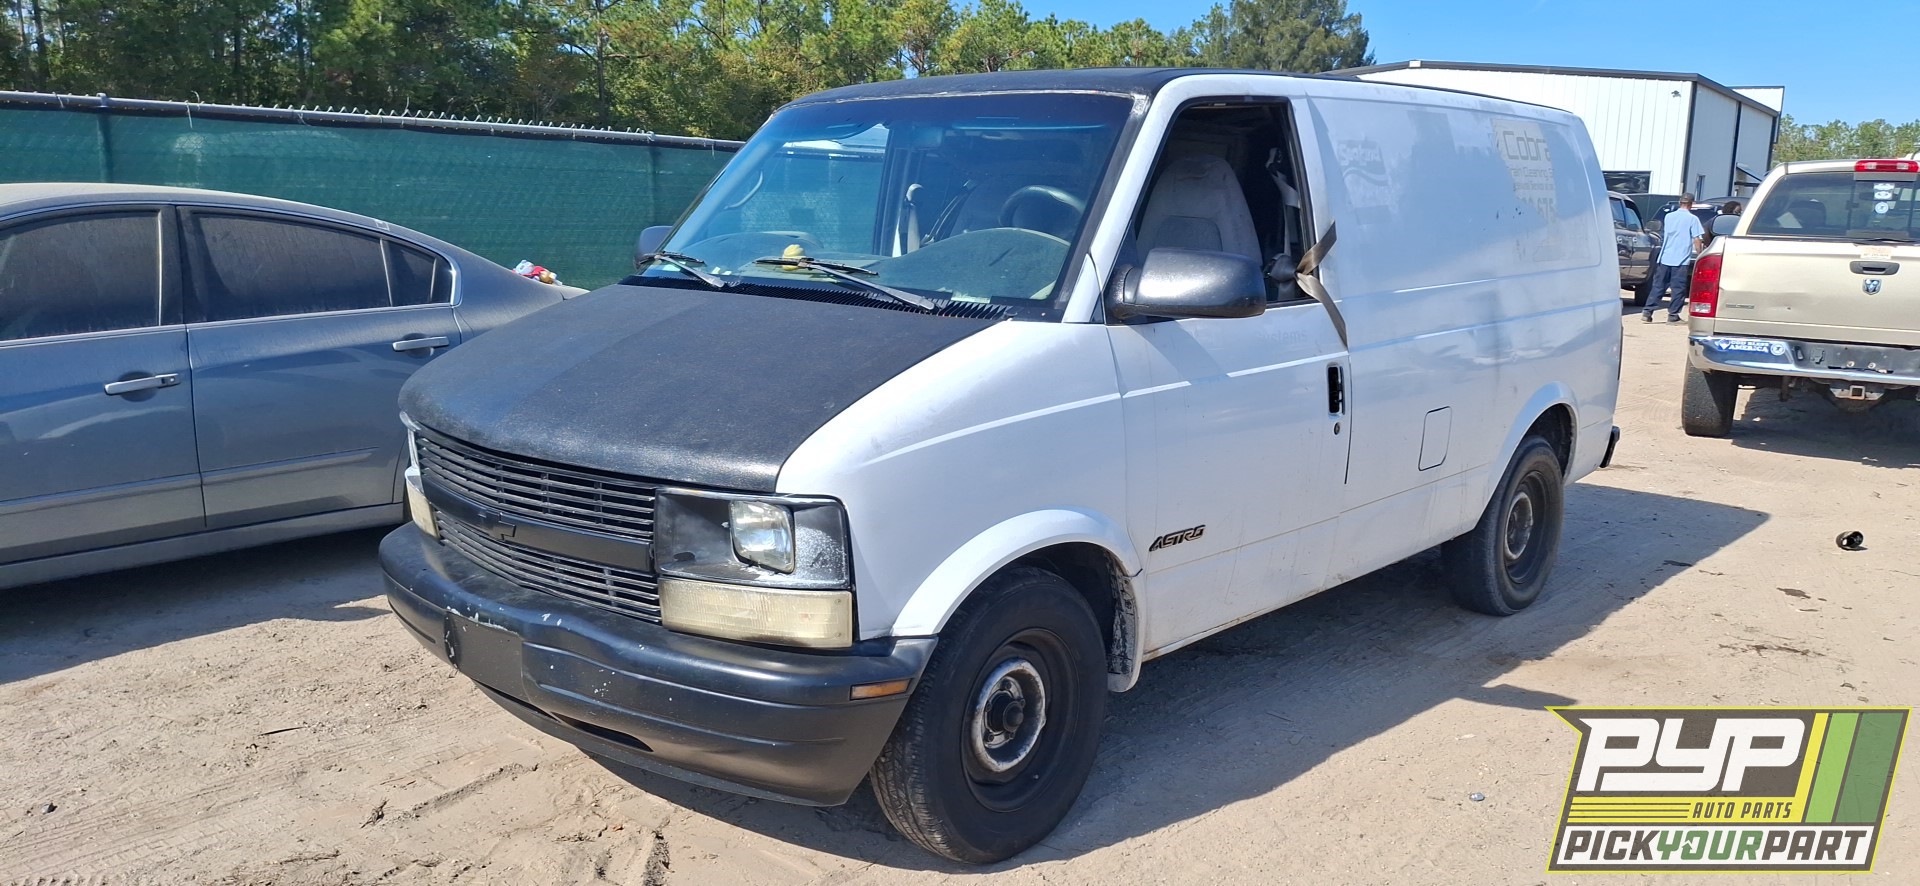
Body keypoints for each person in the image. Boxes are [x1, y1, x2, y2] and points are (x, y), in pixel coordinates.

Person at [1644, 193, 1705, 323]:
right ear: (1691, 204)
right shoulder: (1692, 219)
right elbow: (1697, 239)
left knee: (1658, 286)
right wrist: (1700, 254)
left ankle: (1647, 312)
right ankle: (1673, 316)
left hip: (1665, 256)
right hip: (1680, 259)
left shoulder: (1669, 216)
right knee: (1678, 288)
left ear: (1680, 202)